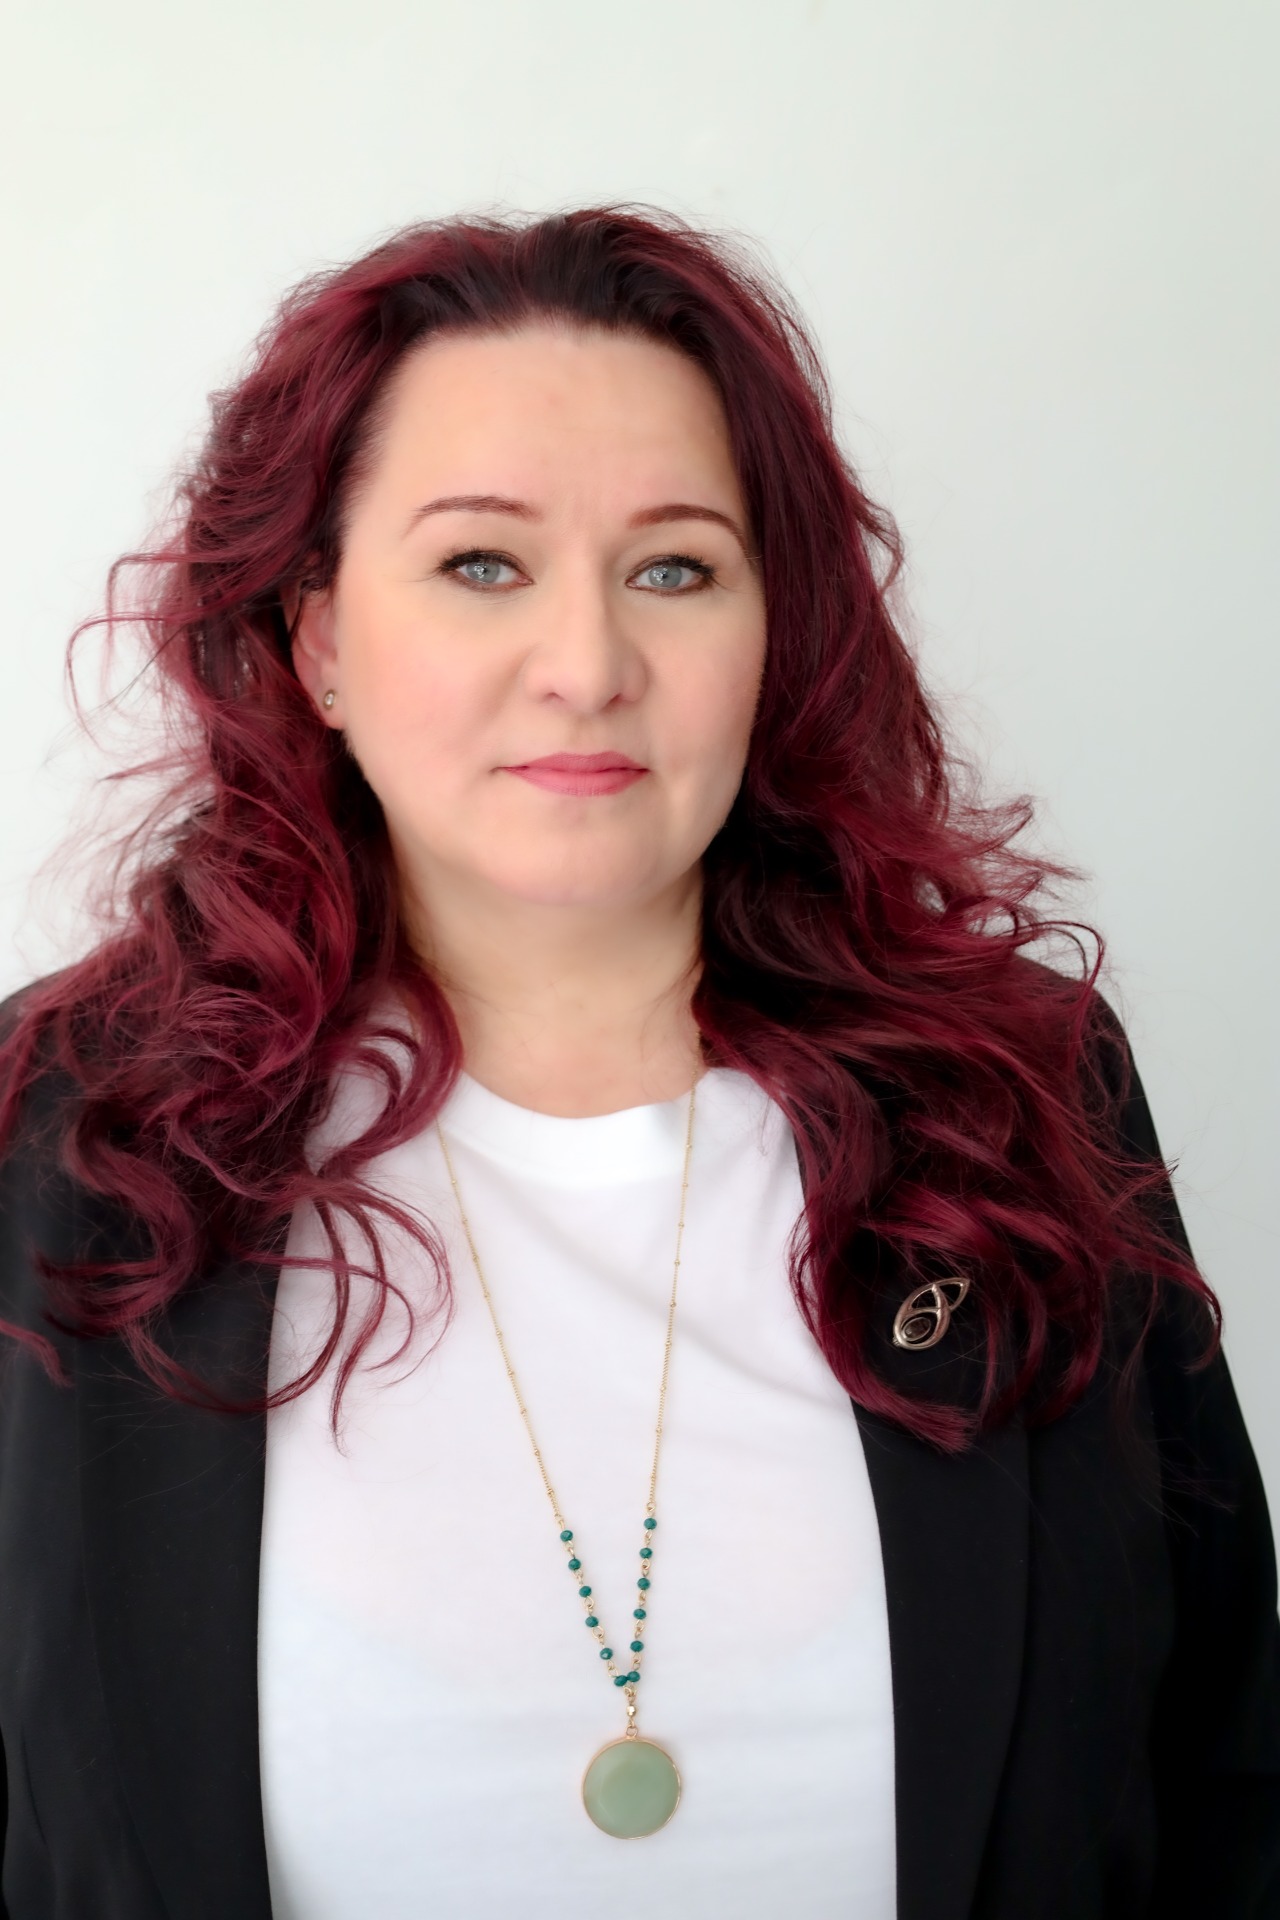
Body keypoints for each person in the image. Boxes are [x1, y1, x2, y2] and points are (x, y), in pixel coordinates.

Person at [0, 205, 1276, 1920]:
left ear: (771, 633)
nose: (591, 667)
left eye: (674, 569)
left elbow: (1227, 1779)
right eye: (482, 564)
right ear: (318, 644)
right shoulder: (66, 1135)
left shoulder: (1019, 1095)